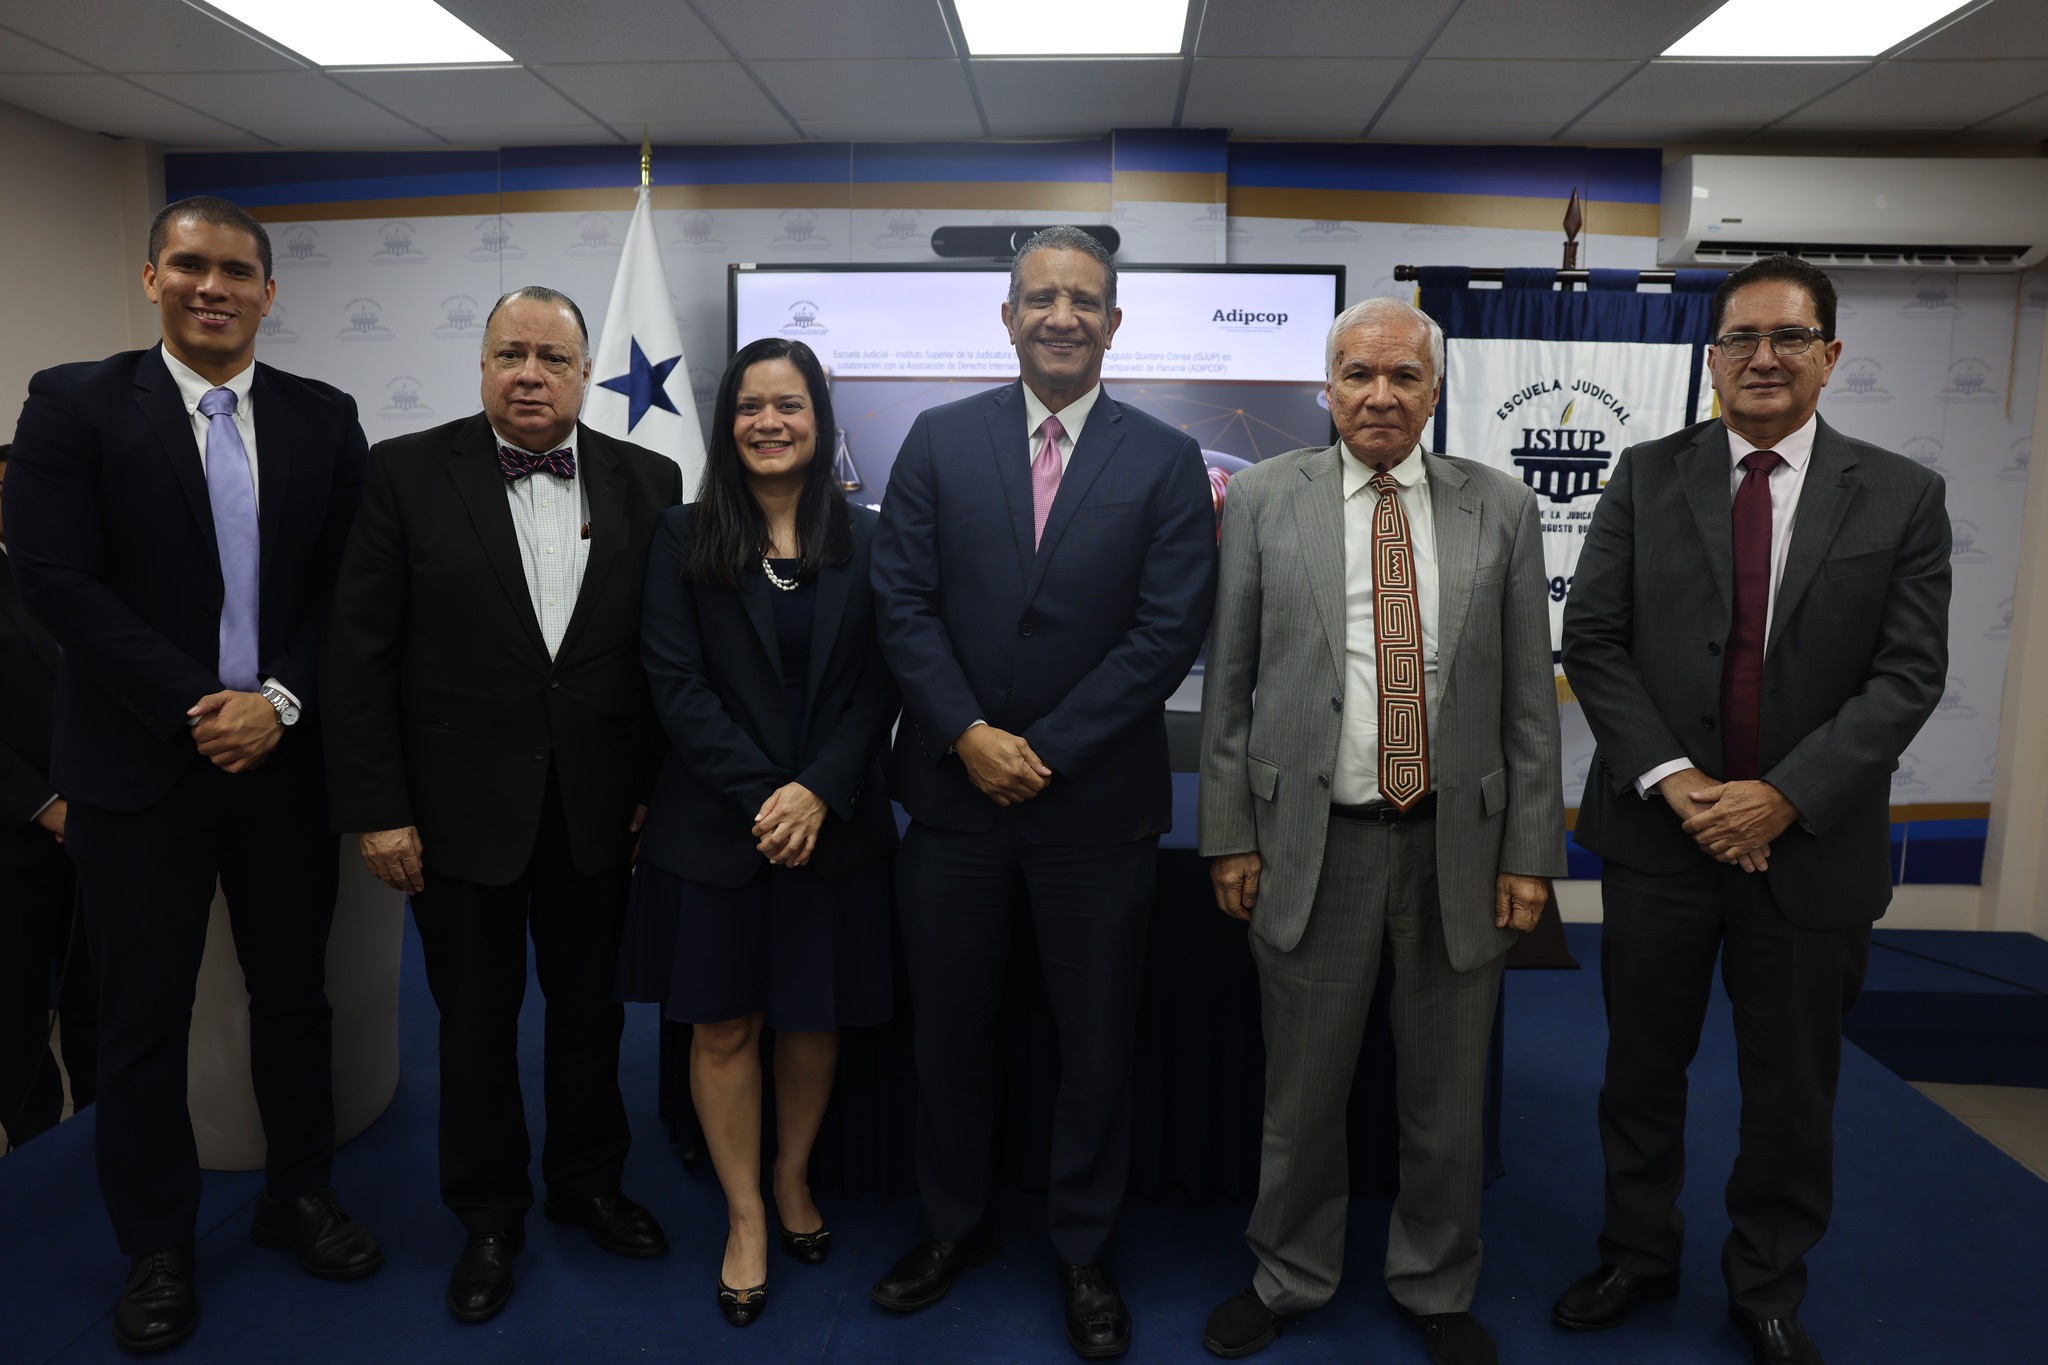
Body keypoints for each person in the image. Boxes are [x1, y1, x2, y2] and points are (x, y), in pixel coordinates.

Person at [1554, 255, 1950, 1365]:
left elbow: (1907, 676)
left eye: (1787, 337)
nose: (1762, 358)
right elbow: (1593, 641)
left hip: (1807, 848)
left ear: (1829, 355)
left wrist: (1782, 796)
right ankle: (1635, 1253)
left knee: (1791, 1091)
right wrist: (1676, 782)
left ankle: (1766, 1282)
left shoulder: (1901, 495)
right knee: (1640, 1072)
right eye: (1740, 338)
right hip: (1659, 839)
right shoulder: (1644, 475)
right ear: (1711, 357)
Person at [3, 196, 380, 1354]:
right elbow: (57, 580)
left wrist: (278, 702)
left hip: (283, 764)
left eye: (235, 270)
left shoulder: (324, 416)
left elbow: (349, 588)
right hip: (139, 769)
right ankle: (157, 1246)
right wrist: (198, 706)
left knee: (295, 997)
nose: (212, 286)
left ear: (269, 292)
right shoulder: (72, 403)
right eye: (189, 265)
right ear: (152, 278)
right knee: (140, 1020)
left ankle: (297, 1196)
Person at [869, 225, 1217, 1358]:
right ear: (1007, 318)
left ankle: (1082, 1248)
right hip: (953, 802)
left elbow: (1167, 630)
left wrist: (1044, 749)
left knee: (1094, 1048)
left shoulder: (1167, 458)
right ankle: (952, 1227)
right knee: (949, 1037)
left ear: (1113, 323)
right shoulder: (937, 439)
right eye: (1040, 298)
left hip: (1094, 813)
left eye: (1083, 300)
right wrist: (970, 736)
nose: (1061, 316)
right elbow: (900, 604)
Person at [1196, 297, 1565, 1365]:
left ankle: (1436, 1282)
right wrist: (1231, 834)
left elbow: (1528, 703)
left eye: (1403, 376)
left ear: (1434, 392)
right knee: (1303, 1091)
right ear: (1326, 388)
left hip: (1458, 846)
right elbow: (1229, 684)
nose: (1379, 395)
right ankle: (1287, 1271)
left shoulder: (1501, 505)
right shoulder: (1264, 496)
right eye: (1357, 374)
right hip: (1314, 842)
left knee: (1446, 1097)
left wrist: (1529, 852)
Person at [321, 285, 683, 1323]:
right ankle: (487, 1214)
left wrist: (655, 791)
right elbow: (359, 654)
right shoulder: (403, 472)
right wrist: (379, 809)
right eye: (510, 354)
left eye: (552, 358)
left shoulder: (650, 478)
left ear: (585, 373)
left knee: (590, 1013)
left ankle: (588, 1182)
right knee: (474, 1024)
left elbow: (667, 658)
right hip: (454, 815)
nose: (530, 374)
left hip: (599, 812)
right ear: (481, 367)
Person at [618, 336, 899, 1328]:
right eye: (748, 406)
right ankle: (744, 1213)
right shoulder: (679, 535)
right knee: (725, 1022)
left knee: (812, 1016)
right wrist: (767, 797)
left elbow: (883, 682)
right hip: (714, 826)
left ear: (819, 421)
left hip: (835, 823)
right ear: (725, 421)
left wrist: (816, 791)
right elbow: (675, 684)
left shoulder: (872, 537)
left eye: (789, 405)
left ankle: (790, 1176)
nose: (768, 422)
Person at [0, 443, 97, 1151]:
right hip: (15, 842)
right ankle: (35, 1151)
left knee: (103, 999)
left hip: (105, 830)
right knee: (17, 1012)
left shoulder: (86, 575)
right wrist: (47, 807)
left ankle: (105, 1122)